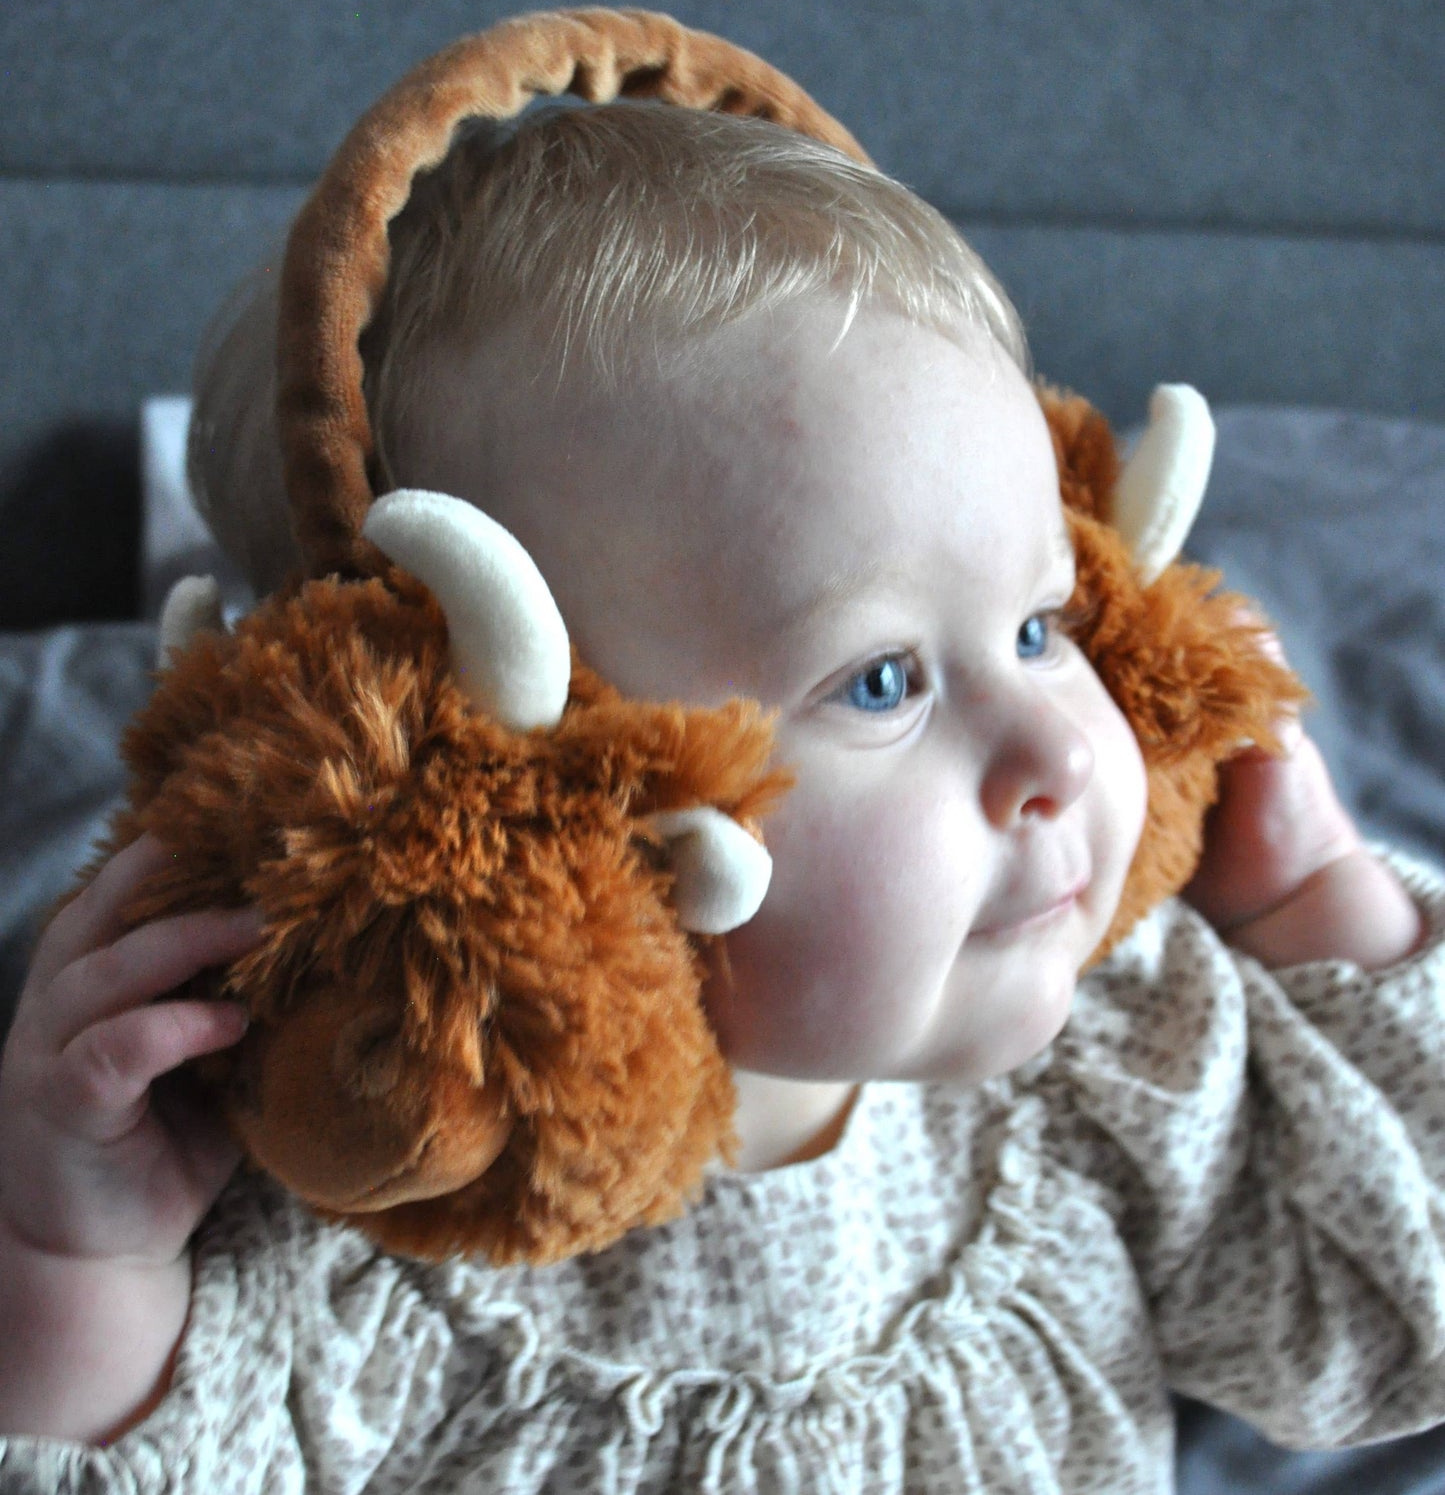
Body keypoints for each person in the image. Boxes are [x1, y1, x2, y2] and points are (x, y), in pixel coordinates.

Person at [0, 98, 1441, 1494]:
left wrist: (1319, 903)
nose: (1064, 755)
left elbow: (1390, 1317)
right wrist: (82, 1271)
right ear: (484, 799)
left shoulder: (1112, 1058)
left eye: (1040, 625)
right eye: (881, 683)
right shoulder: (374, 1191)